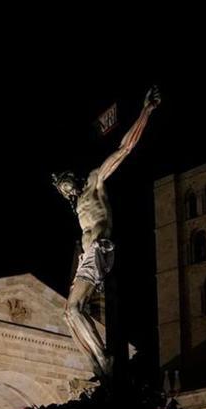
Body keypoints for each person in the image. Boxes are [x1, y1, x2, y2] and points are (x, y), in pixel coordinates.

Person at [52, 86, 160, 378]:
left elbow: (124, 149)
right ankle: (98, 365)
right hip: (89, 255)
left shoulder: (94, 183)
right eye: (63, 191)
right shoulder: (76, 206)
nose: (67, 191)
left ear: (74, 180)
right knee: (69, 314)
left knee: (75, 310)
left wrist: (145, 112)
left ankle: (105, 359)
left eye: (67, 185)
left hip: (101, 248)